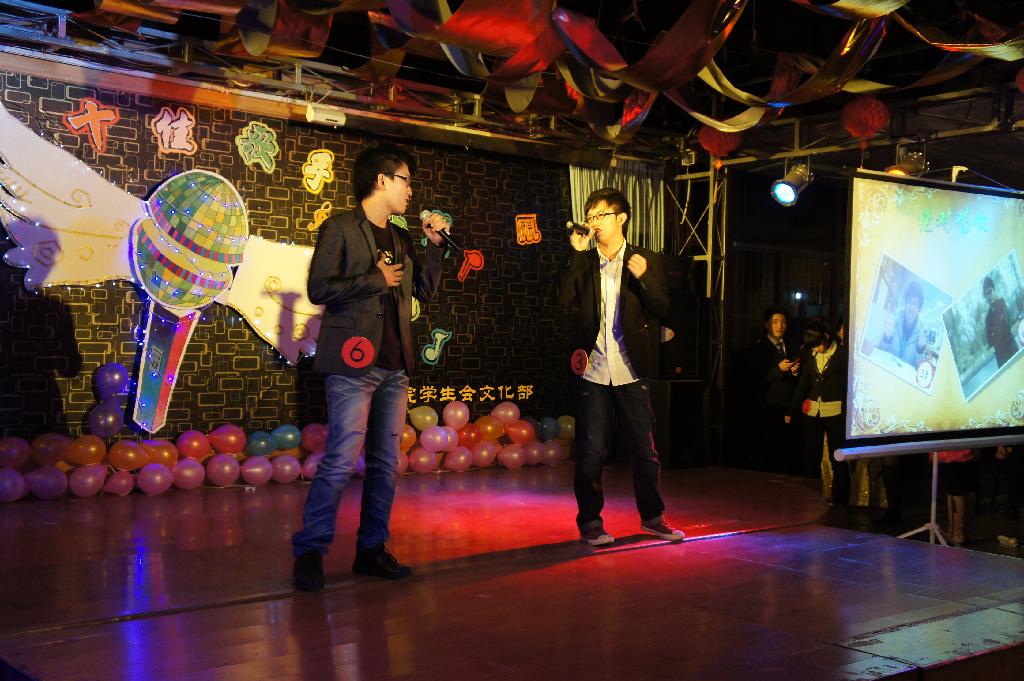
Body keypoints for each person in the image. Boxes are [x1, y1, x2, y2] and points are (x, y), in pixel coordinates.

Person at [292, 143, 449, 592]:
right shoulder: (341, 228)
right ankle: (310, 551)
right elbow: (319, 289)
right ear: (382, 180)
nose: (410, 191)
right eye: (405, 180)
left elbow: (424, 291)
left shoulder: (401, 237)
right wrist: (373, 280)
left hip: (395, 367)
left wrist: (434, 248)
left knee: (385, 463)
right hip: (353, 364)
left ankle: (372, 549)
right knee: (341, 459)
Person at [557, 187, 684, 546]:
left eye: (601, 215)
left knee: (644, 450)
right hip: (593, 368)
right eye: (590, 216)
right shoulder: (584, 258)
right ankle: (590, 522)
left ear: (621, 218)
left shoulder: (645, 258)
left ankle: (653, 518)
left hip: (631, 368)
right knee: (591, 450)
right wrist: (575, 255)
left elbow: (661, 308)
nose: (594, 222)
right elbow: (562, 297)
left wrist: (644, 278)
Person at [787, 320, 850, 505]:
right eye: (813, 347)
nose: (817, 349)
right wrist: (791, 409)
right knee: (810, 455)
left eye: (818, 345)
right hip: (813, 410)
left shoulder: (843, 353)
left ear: (827, 337)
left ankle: (841, 501)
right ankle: (811, 498)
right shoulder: (810, 354)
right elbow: (803, 383)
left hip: (835, 411)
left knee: (837, 456)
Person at [749, 307, 800, 473]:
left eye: (783, 322)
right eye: (775, 322)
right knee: (770, 446)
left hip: (789, 404)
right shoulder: (758, 348)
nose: (780, 326)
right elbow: (755, 378)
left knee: (788, 447)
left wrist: (794, 371)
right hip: (768, 405)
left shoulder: (792, 345)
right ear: (767, 325)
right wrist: (778, 370)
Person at [876, 280, 927, 366]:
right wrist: (887, 338)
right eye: (909, 302)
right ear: (905, 303)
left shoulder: (920, 335)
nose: (911, 308)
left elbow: (919, 367)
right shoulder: (894, 322)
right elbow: (879, 353)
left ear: (919, 308)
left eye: (915, 303)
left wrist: (920, 349)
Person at [983, 276, 1017, 368]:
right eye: (986, 294)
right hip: (1001, 358)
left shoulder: (1002, 303)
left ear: (994, 291)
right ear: (985, 297)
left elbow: (1008, 320)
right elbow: (990, 341)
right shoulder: (987, 319)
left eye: (990, 291)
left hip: (1012, 349)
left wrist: (995, 333)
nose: (989, 296)